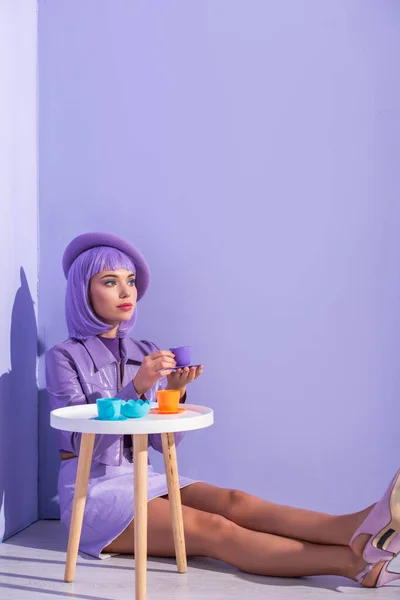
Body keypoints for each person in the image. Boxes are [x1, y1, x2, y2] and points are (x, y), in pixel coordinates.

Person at [46, 232, 400, 588]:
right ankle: (351, 563)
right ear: (83, 291)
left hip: (145, 476)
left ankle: (357, 527)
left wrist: (174, 391)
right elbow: (80, 441)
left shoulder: (144, 349)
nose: (126, 292)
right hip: (93, 495)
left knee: (237, 501)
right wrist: (137, 387)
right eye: (110, 282)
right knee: (215, 529)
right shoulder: (63, 356)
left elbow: (161, 444)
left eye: (131, 281)